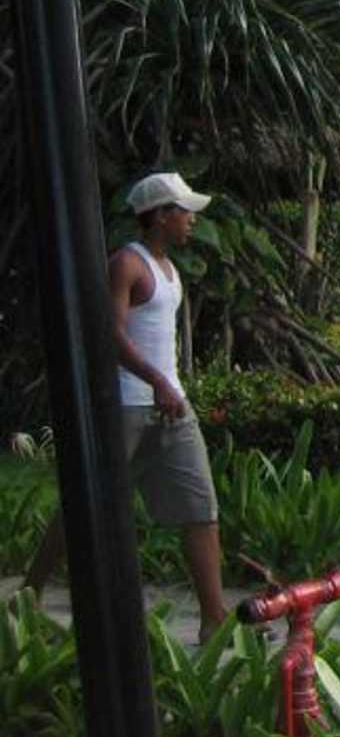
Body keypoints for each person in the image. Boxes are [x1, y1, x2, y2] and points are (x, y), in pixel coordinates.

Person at [17, 173, 229, 640]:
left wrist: (170, 386)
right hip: (127, 407)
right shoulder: (127, 264)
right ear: (160, 215)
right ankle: (29, 592)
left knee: (201, 507)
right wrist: (156, 381)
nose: (192, 220)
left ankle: (214, 619)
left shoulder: (170, 269)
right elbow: (109, 335)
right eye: (184, 211)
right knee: (85, 505)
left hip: (171, 405)